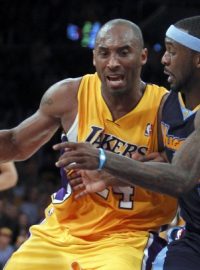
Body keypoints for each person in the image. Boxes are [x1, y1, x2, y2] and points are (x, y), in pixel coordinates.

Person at [0, 19, 177, 270]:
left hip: (127, 238)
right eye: (104, 53)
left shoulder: (167, 108)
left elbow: (178, 170)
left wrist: (111, 171)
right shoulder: (69, 95)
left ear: (143, 56)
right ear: (94, 58)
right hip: (60, 232)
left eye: (123, 52)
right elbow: (16, 143)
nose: (113, 63)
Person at [53, 16, 200, 270]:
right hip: (193, 236)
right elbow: (159, 162)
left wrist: (102, 159)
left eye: (172, 52)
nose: (163, 59)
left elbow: (181, 176)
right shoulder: (171, 105)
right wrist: (111, 176)